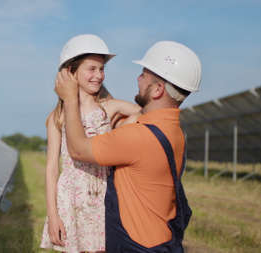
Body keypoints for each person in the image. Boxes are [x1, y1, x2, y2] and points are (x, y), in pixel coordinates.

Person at [55, 41, 201, 252]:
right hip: (162, 241)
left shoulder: (138, 136)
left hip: (135, 245)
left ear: (158, 89)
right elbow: (121, 121)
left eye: (144, 75)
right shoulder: (174, 132)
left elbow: (78, 149)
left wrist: (69, 98)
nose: (138, 79)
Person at [40, 34, 141, 253]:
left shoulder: (110, 108)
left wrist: (123, 126)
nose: (99, 75)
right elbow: (51, 168)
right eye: (92, 69)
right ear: (70, 72)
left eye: (102, 69)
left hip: (102, 194)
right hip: (72, 197)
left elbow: (144, 114)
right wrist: (53, 215)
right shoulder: (56, 118)